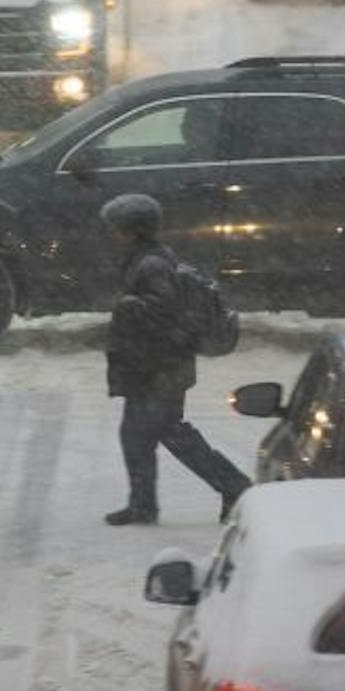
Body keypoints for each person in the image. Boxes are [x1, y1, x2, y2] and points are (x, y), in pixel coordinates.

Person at [99, 193, 251, 527]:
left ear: (131, 231)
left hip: (158, 372)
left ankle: (234, 487)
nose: (111, 234)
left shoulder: (150, 264)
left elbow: (162, 313)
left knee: (165, 435)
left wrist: (128, 306)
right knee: (149, 435)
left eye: (116, 228)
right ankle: (145, 504)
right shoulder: (150, 257)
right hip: (158, 370)